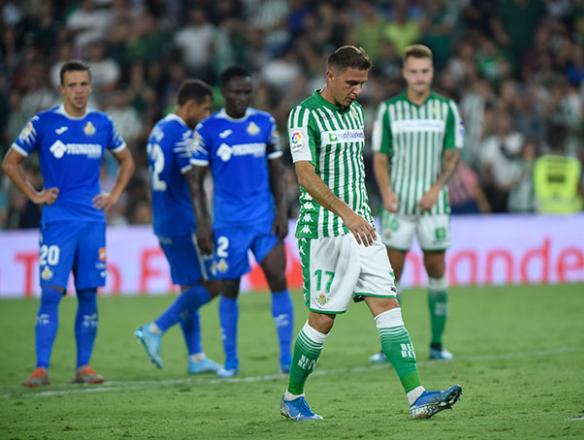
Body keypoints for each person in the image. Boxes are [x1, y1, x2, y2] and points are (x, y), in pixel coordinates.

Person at [280, 45, 462, 421]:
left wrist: (362, 214)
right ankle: (292, 398)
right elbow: (305, 175)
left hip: (363, 227)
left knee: (388, 306)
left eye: (362, 83)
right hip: (325, 231)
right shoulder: (304, 114)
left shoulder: (357, 112)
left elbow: (352, 170)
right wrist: (346, 214)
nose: (358, 90)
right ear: (329, 76)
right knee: (323, 319)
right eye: (351, 82)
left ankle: (417, 396)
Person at [2, 60, 135, 387]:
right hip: (58, 221)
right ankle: (41, 367)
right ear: (61, 89)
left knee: (88, 293)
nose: (78, 91)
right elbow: (10, 162)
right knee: (51, 293)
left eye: (83, 84)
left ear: (91, 87)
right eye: (72, 85)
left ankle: (84, 366)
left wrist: (114, 193)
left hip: (92, 221)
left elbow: (127, 160)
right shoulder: (44, 123)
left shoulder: (102, 124)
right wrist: (33, 195)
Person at [190, 66, 293, 377]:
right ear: (224, 92)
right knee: (229, 288)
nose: (241, 98)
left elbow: (278, 171)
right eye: (236, 92)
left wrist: (282, 211)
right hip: (227, 224)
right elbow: (196, 181)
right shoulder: (207, 129)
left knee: (278, 279)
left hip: (263, 220)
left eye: (247, 92)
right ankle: (231, 360)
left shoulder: (263, 123)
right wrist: (202, 223)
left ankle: (287, 358)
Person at [369, 44, 461, 364]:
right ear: (405, 73)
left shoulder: (447, 109)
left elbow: (452, 155)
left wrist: (436, 188)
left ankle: (436, 344)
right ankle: (389, 346)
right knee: (392, 273)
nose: (419, 77)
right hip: (398, 204)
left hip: (434, 204)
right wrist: (387, 193)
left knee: (436, 267)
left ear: (432, 73)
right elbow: (380, 157)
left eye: (425, 71)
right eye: (413, 71)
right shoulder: (390, 110)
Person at [134, 79, 224, 374]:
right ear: (189, 106)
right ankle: (155, 329)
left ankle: (196, 357)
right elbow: (193, 182)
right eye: (205, 109)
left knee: (189, 286)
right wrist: (203, 223)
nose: (207, 116)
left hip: (163, 219)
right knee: (214, 284)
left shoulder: (159, 130)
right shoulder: (183, 136)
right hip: (184, 219)